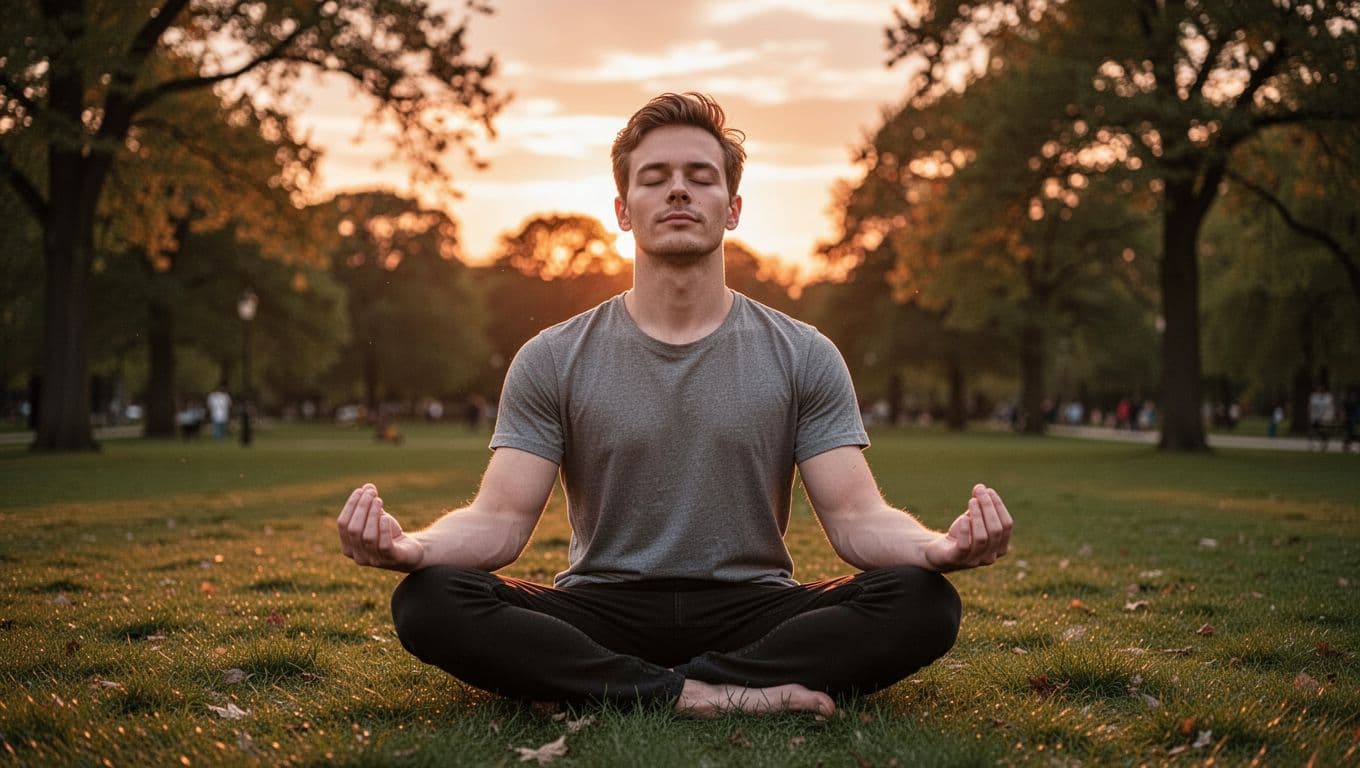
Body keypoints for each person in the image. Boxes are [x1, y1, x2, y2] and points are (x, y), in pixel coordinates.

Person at [337, 93, 1013, 717]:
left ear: (733, 207)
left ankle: (611, 684)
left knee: (923, 601)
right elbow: (503, 519)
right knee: (429, 600)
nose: (680, 189)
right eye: (655, 177)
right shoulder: (553, 356)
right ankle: (712, 694)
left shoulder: (803, 353)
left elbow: (855, 516)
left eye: (701, 174)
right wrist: (414, 546)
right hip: (600, 605)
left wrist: (935, 546)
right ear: (624, 210)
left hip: (755, 607)